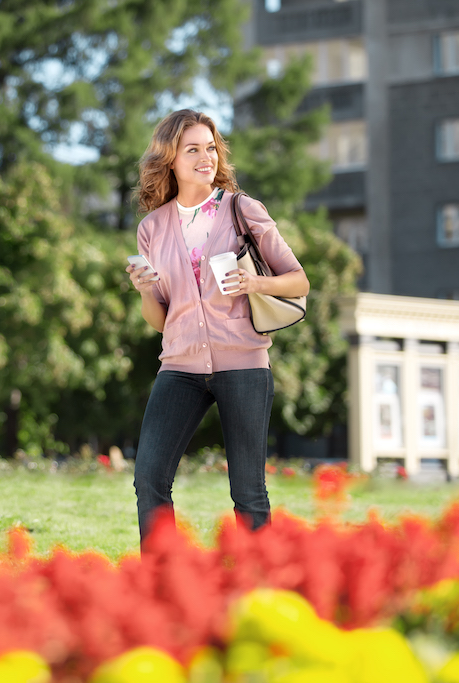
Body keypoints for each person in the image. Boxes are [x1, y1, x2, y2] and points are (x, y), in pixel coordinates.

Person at [125, 109, 310, 544]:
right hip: (179, 366)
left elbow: (299, 280)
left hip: (243, 363)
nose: (205, 157)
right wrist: (144, 290)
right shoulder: (151, 228)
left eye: (210, 147)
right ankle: (159, 582)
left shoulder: (242, 209)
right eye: (192, 149)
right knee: (149, 478)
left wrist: (254, 281)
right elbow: (160, 321)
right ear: (170, 157)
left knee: (247, 491)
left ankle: (258, 586)